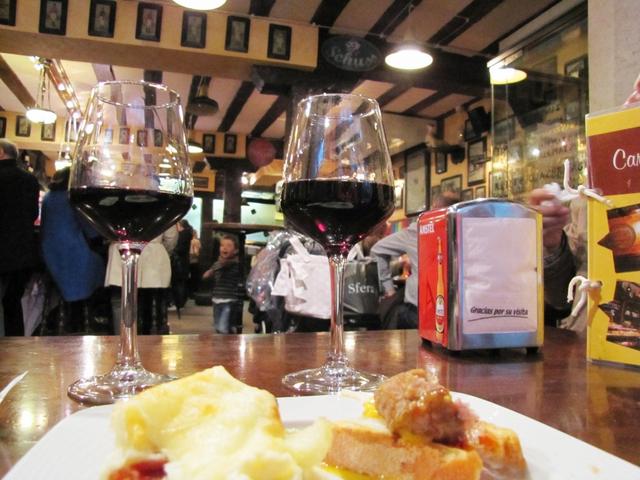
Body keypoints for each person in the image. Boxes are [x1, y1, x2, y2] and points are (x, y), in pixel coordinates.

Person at [370, 193, 460, 329]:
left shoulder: (418, 229)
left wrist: (389, 288)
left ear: (433, 207)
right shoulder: (463, 228)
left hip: (418, 310)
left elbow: (377, 249)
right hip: (454, 311)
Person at [40, 168, 105, 332]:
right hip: (74, 254)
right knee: (102, 265)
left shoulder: (48, 197)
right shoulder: (74, 198)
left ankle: (71, 315)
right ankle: (91, 315)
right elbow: (91, 231)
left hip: (49, 255)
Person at [0, 139, 40, 336]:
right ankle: (15, 344)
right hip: (23, 252)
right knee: (12, 300)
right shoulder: (30, 180)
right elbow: (33, 214)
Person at [202, 235, 244, 334]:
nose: (224, 248)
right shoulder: (217, 263)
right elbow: (208, 274)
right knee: (218, 326)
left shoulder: (235, 264)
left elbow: (228, 266)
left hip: (229, 300)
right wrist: (208, 273)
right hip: (216, 299)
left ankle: (228, 338)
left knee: (222, 327)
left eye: (228, 246)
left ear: (236, 250)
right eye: (222, 245)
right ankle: (230, 334)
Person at [188, 228, 201, 298]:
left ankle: (189, 293)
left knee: (189, 278)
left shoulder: (189, 241)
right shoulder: (196, 241)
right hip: (195, 261)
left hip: (188, 261)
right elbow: (196, 252)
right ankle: (194, 292)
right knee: (194, 278)